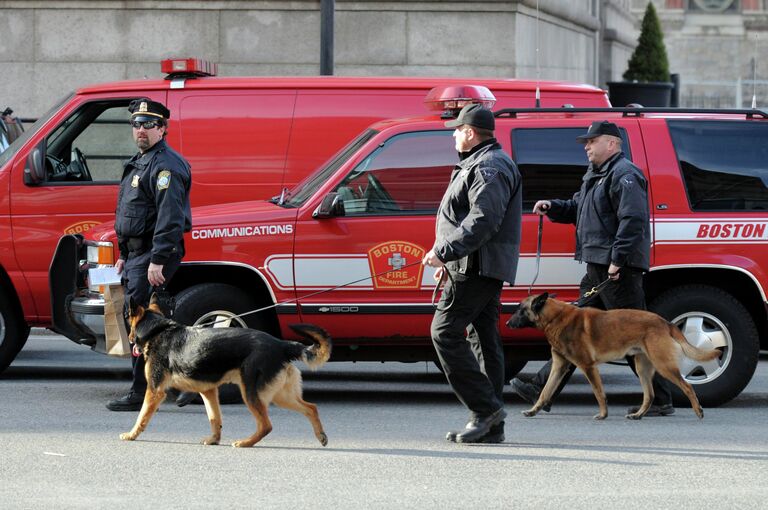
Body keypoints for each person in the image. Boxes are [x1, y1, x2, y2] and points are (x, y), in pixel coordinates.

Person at [511, 120, 674, 416]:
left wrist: (618, 259)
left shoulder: (625, 174)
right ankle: (541, 389)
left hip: (616, 269)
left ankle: (661, 399)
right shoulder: (595, 175)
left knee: (632, 334)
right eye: (586, 142)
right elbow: (578, 208)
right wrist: (554, 207)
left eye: (591, 140)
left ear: (611, 143)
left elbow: (632, 220)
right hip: (597, 266)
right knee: (572, 331)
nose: (586, 146)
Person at [422, 103, 522, 443]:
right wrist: (448, 261)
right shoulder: (479, 163)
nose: (452, 134)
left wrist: (445, 252)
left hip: (476, 266)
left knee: (444, 333)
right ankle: (491, 425)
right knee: (483, 340)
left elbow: (483, 219)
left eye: (456, 129)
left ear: (470, 132)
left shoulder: (489, 165)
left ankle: (485, 410)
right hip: (470, 264)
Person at [106, 98, 193, 412]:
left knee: (143, 323)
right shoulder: (140, 161)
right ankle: (173, 384)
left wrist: (158, 259)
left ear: (162, 128)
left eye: (149, 124)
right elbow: (130, 212)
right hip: (137, 255)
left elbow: (169, 217)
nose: (141, 130)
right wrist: (124, 254)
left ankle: (142, 391)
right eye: (136, 124)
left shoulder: (166, 165)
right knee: (145, 320)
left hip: (153, 257)